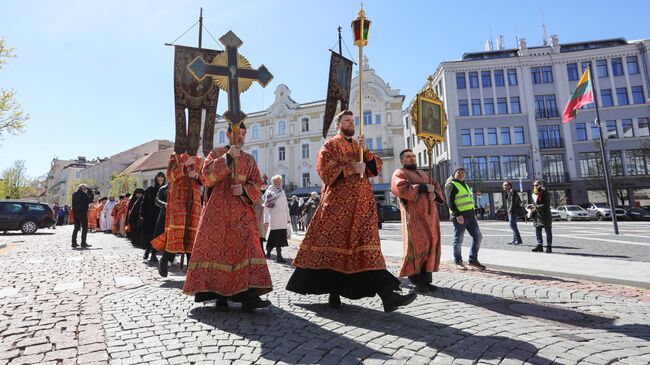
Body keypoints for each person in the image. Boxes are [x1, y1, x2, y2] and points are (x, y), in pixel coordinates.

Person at [286, 110, 416, 313]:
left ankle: (388, 296)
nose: (350, 123)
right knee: (336, 250)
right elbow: (325, 170)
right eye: (346, 120)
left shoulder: (358, 146)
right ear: (338, 124)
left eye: (352, 120)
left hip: (363, 209)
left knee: (368, 250)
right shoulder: (330, 145)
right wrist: (351, 169)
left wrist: (367, 151)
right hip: (339, 210)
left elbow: (375, 168)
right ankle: (342, 293)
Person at [182, 124, 272, 312]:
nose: (241, 136)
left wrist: (245, 190)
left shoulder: (249, 159)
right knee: (218, 252)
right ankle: (218, 295)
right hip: (217, 216)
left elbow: (257, 182)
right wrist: (228, 157)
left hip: (242, 216)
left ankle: (249, 297)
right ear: (228, 134)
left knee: (250, 250)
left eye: (244, 133)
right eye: (238, 133)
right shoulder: (215, 154)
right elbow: (206, 177)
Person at [391, 149, 444, 293]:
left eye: (413, 156)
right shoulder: (399, 173)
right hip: (414, 218)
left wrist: (435, 194)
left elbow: (435, 185)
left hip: (430, 216)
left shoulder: (423, 173)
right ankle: (417, 281)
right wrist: (423, 187)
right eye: (408, 157)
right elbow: (400, 188)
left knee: (430, 246)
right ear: (402, 160)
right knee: (418, 247)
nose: (412, 159)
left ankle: (426, 281)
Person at [152, 153, 203, 276]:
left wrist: (196, 175)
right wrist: (184, 165)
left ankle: (192, 272)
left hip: (194, 200)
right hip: (178, 199)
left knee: (192, 233)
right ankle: (164, 260)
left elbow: (205, 179)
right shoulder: (175, 156)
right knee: (176, 233)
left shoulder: (200, 159)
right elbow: (170, 175)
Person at [445, 167, 485, 270]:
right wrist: (457, 215)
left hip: (470, 217)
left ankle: (473, 260)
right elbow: (450, 202)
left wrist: (474, 212)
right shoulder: (451, 185)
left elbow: (469, 201)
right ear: (454, 174)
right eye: (458, 172)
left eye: (463, 172)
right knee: (459, 239)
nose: (461, 174)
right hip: (460, 217)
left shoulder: (465, 185)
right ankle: (458, 261)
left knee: (478, 237)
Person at [263, 175, 290, 263]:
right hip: (275, 218)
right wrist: (266, 220)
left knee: (275, 237)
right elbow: (267, 208)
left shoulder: (282, 191)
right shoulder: (270, 192)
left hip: (283, 218)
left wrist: (288, 218)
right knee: (277, 237)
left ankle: (268, 252)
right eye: (276, 181)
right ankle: (279, 256)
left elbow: (286, 206)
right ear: (273, 182)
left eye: (279, 181)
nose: (278, 183)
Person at [141, 172, 166, 262]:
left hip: (160, 216)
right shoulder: (150, 189)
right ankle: (147, 251)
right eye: (158, 180)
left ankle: (154, 255)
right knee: (149, 235)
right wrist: (142, 214)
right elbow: (144, 202)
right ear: (155, 179)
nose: (160, 182)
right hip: (149, 216)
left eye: (162, 180)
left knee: (156, 236)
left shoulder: (165, 190)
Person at [530, 180, 553, 253]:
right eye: (534, 185)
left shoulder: (544, 192)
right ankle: (539, 245)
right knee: (538, 230)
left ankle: (549, 246)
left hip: (545, 215)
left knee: (548, 231)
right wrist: (531, 207)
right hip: (537, 215)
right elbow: (534, 203)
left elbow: (546, 204)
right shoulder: (534, 194)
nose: (535, 187)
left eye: (536, 185)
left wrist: (536, 207)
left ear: (540, 185)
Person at [71, 183, 94, 248]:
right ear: (83, 188)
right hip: (82, 213)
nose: (86, 190)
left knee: (76, 228)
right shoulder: (84, 195)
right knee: (84, 228)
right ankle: (83, 243)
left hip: (75, 213)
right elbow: (90, 200)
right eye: (85, 188)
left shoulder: (74, 194)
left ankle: (73, 243)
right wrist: (91, 194)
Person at [503, 181, 524, 245]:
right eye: (503, 185)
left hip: (513, 211)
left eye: (505, 185)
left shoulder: (512, 191)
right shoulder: (509, 192)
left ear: (509, 186)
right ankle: (515, 240)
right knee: (513, 225)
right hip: (511, 211)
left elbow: (513, 201)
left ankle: (519, 240)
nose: (503, 186)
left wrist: (510, 210)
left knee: (512, 225)